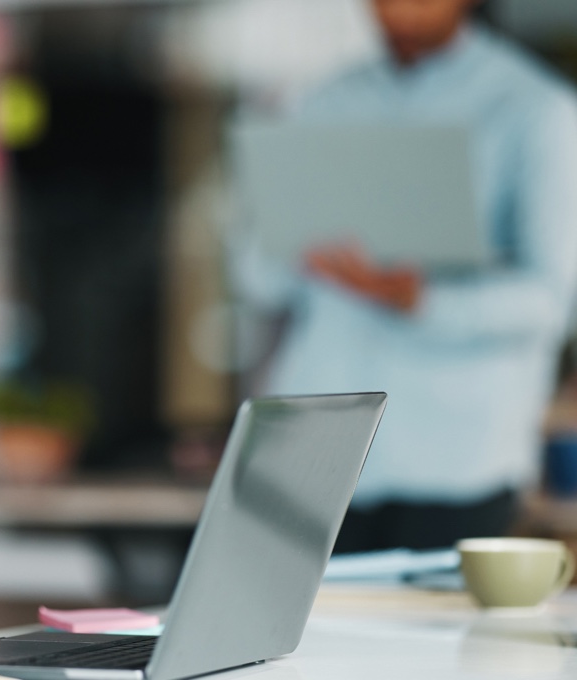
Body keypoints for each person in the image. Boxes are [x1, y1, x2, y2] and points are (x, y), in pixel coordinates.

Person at [233, 0, 577, 552]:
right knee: (301, 638)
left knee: (432, 638)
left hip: (454, 457)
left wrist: (421, 300)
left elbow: (549, 302)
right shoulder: (319, 103)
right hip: (317, 456)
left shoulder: (535, 110)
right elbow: (259, 278)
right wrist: (295, 250)